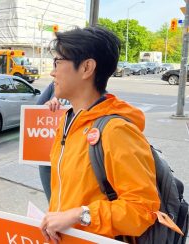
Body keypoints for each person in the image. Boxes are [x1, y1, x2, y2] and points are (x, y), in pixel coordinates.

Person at [40, 26, 160, 243]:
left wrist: (81, 215)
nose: (52, 72)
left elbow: (142, 209)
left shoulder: (116, 131)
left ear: (87, 68)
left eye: (58, 62)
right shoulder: (69, 121)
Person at [37, 81, 67, 202]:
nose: (53, 72)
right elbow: (35, 111)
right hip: (47, 158)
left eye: (59, 63)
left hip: (67, 159)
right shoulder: (54, 84)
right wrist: (47, 108)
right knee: (53, 203)